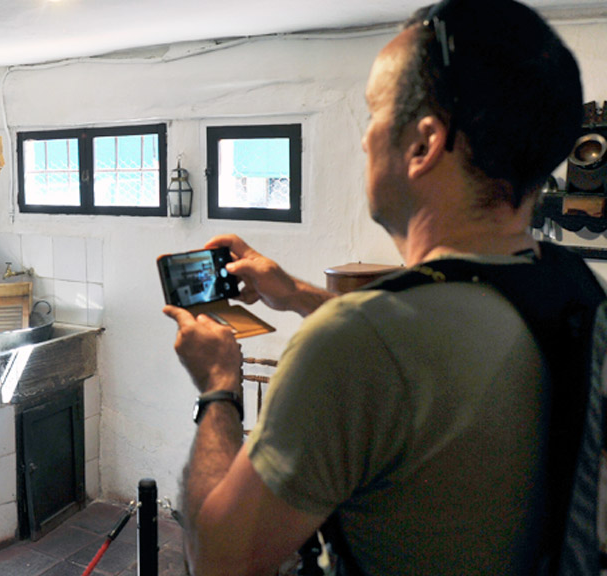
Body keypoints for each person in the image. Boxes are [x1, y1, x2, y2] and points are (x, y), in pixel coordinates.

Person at [163, 0, 604, 574]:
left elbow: (217, 561)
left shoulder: (352, 344)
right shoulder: (573, 286)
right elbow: (429, 349)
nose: (364, 140)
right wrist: (295, 294)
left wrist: (219, 387)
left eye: (373, 113)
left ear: (423, 145)